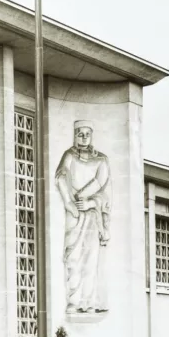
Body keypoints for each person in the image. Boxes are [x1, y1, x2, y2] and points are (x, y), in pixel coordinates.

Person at [54, 120, 111, 313]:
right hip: (75, 214)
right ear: (75, 135)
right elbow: (60, 176)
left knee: (91, 258)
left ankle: (88, 301)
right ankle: (74, 300)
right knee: (72, 256)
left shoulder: (101, 159)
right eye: (80, 133)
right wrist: (70, 203)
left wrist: (88, 200)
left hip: (92, 213)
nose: (84, 136)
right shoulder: (69, 155)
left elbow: (102, 185)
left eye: (87, 133)